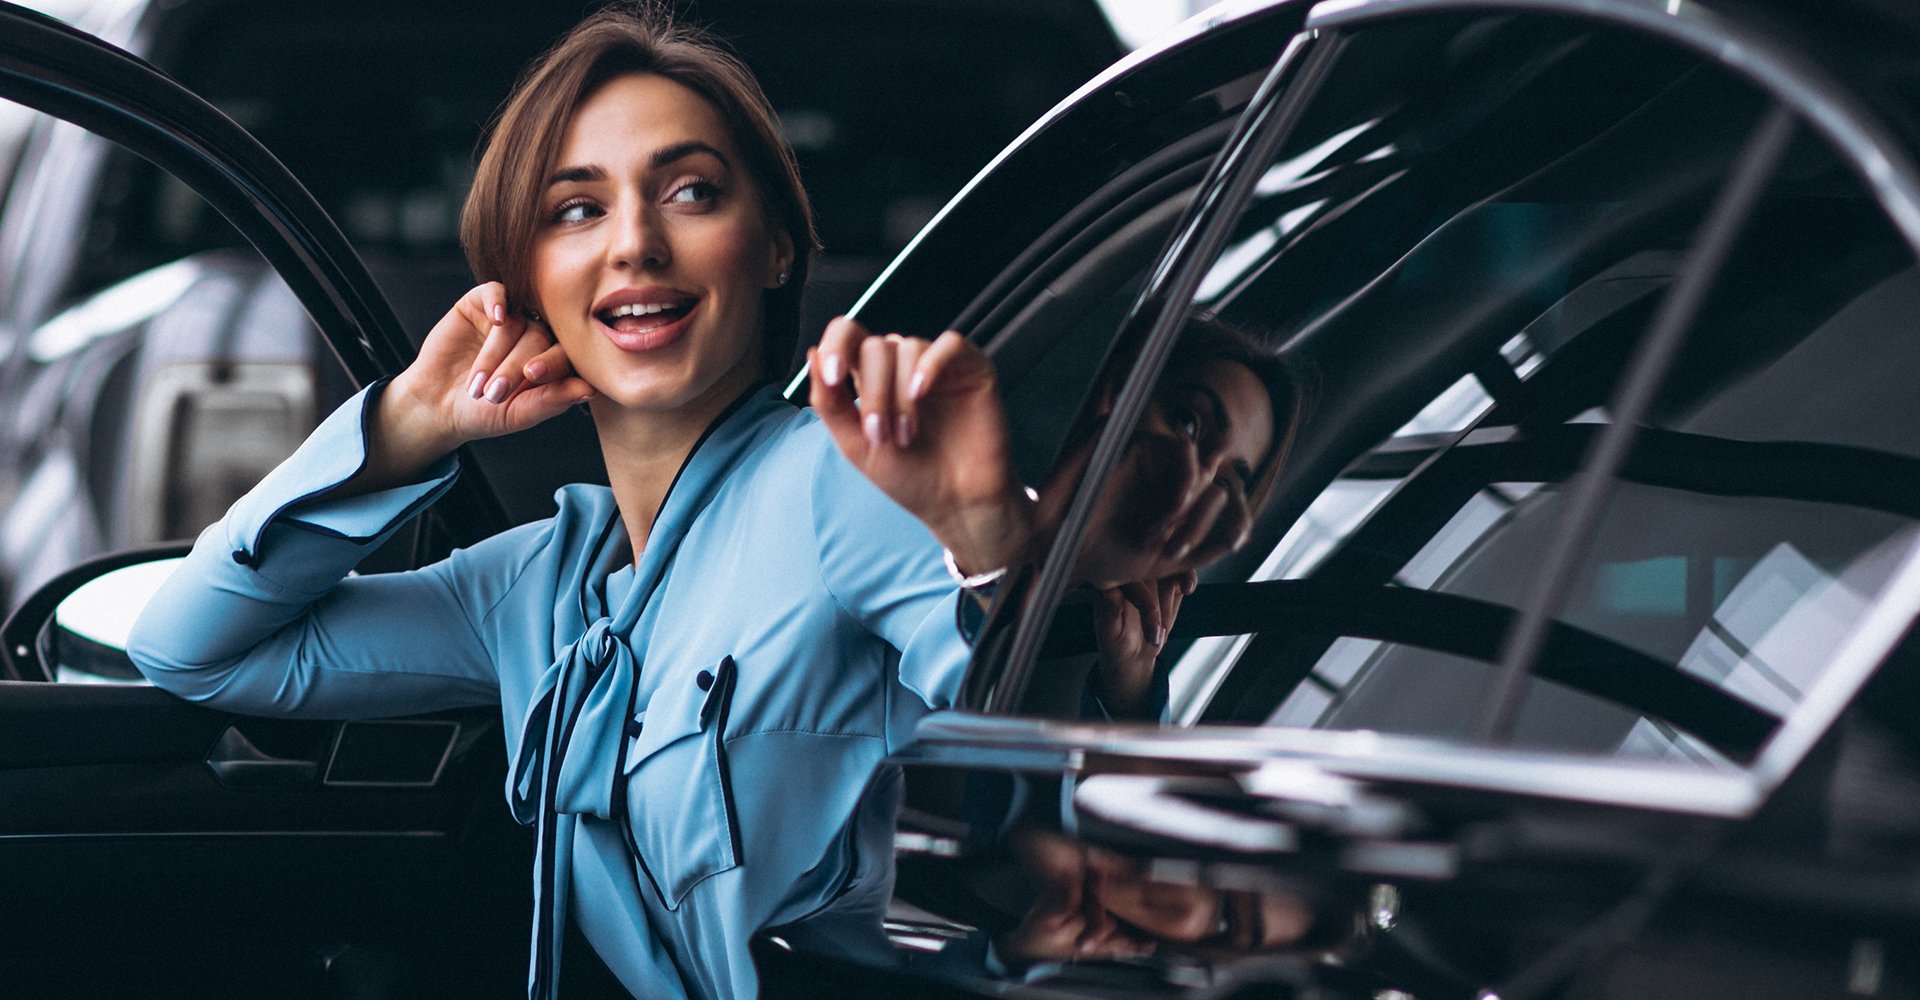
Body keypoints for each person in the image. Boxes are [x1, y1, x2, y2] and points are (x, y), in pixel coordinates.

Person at [126, 8, 983, 999]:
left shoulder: (840, 488)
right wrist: (404, 423)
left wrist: (990, 538)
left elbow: (1017, 725)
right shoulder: (537, 583)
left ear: (778, 245)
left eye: (692, 192)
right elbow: (192, 647)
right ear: (526, 280)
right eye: (576, 209)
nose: (635, 244)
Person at [811, 311, 1301, 720]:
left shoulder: (1112, 642)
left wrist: (1130, 689)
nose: (1190, 481)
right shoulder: (902, 465)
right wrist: (1052, 562)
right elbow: (964, 733)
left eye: (1224, 483)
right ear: (1111, 388)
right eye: (1187, 423)